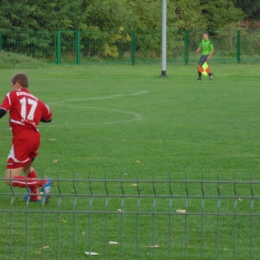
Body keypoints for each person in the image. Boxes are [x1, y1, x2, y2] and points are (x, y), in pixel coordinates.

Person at [0, 73, 53, 203]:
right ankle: (34, 195)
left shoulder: (12, 95)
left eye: (12, 85)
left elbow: (2, 111)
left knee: (10, 179)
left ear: (17, 85)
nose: (11, 88)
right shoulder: (37, 100)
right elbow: (49, 117)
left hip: (22, 138)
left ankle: (44, 182)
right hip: (35, 137)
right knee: (27, 167)